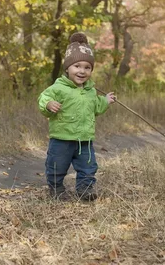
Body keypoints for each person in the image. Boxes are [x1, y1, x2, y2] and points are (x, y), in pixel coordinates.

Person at [38, 32, 116, 201]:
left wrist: (106, 100)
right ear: (67, 68)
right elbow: (43, 98)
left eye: (87, 67)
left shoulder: (90, 91)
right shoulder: (58, 88)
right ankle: (56, 189)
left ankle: (85, 189)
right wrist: (48, 104)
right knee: (57, 166)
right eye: (77, 66)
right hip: (61, 138)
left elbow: (96, 107)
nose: (82, 71)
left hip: (84, 139)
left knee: (88, 167)